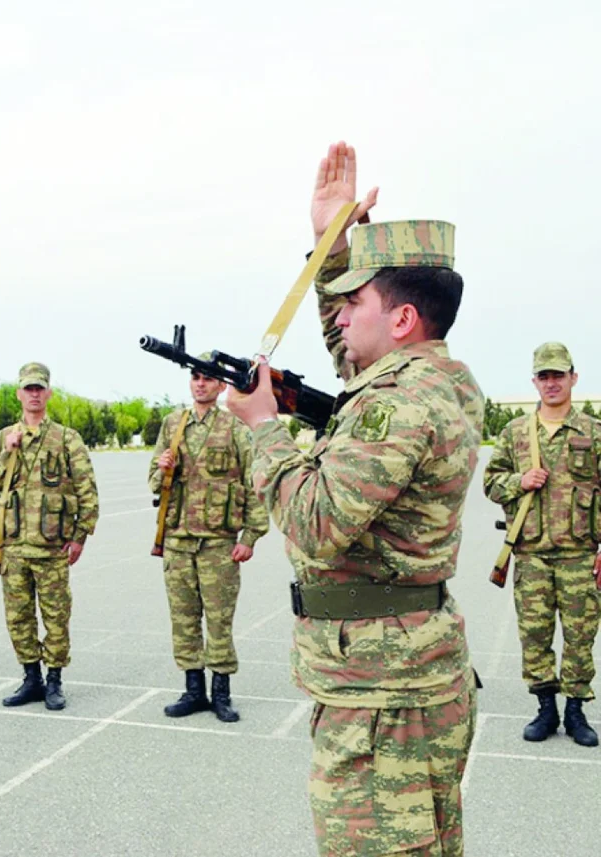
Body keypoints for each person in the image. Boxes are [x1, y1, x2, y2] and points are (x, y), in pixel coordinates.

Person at [226, 142, 483, 856]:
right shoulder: (439, 378)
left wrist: (264, 429)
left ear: (401, 320)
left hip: (384, 698)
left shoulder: (398, 404)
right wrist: (328, 247)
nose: (340, 316)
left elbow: (315, 523)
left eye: (355, 301)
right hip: (399, 681)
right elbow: (352, 357)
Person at [483, 342, 600, 747]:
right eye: (544, 376)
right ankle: (545, 708)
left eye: (558, 375)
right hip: (531, 553)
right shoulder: (515, 433)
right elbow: (491, 481)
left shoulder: (593, 432)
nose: (551, 383)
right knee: (534, 634)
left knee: (581, 635)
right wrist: (520, 481)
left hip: (580, 554)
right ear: (534, 381)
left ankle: (575, 710)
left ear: (573, 377)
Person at [148, 359, 268, 721]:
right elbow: (154, 480)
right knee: (184, 619)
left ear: (220, 387)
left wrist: (251, 536)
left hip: (218, 543)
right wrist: (163, 467)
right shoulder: (173, 424)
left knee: (219, 620)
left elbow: (255, 483)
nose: (200, 384)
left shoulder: (234, 428)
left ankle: (221, 693)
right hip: (179, 541)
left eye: (208, 379)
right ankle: (193, 690)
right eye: (195, 378)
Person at [0, 362, 98, 711]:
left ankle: (54, 681)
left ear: (48, 393)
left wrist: (80, 536)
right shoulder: (4, 437)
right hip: (14, 546)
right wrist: (8, 450)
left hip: (51, 547)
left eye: (39, 388)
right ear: (18, 393)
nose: (33, 394)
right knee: (18, 616)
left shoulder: (66, 438)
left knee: (56, 616)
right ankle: (30, 677)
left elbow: (88, 492)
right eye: (28, 388)